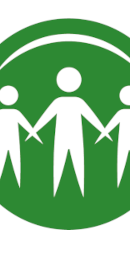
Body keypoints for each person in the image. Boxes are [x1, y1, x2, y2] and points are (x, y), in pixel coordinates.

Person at [30, 67, 102, 195]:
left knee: (77, 162)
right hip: (62, 139)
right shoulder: (62, 102)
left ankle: (81, 192)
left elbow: (92, 119)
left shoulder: (74, 102)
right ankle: (56, 191)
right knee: (60, 162)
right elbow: (44, 118)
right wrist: (33, 131)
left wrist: (103, 131)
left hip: (75, 138)